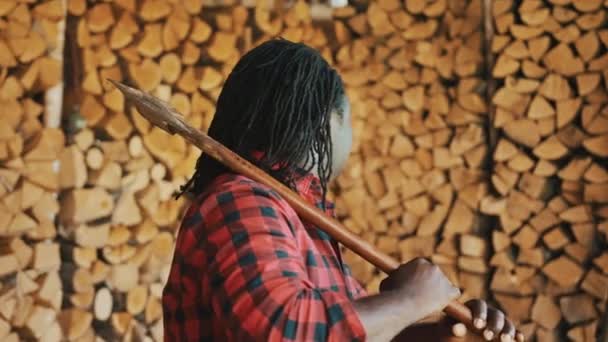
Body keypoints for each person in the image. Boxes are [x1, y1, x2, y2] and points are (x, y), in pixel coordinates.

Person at [162, 38, 518, 342]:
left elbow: (347, 333)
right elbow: (285, 332)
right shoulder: (241, 200)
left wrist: (441, 333)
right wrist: (409, 301)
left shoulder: (297, 217)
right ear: (327, 121)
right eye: (349, 119)